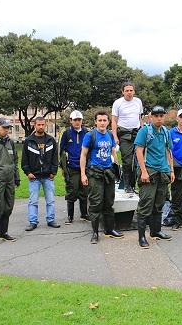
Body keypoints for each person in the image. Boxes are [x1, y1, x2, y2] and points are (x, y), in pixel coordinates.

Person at [80, 111, 123, 244]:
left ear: (108, 122)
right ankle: (94, 233)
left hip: (108, 172)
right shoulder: (90, 135)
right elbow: (83, 155)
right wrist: (83, 174)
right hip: (95, 173)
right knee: (95, 203)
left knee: (109, 202)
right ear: (95, 122)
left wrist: (117, 167)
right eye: (100, 120)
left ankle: (109, 229)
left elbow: (113, 152)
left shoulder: (110, 134)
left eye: (105, 120)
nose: (102, 123)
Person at [135, 105, 174, 249]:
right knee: (146, 204)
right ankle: (141, 237)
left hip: (163, 172)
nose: (159, 118)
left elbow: (169, 151)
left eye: (161, 116)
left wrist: (171, 170)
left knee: (159, 204)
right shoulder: (145, 131)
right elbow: (139, 151)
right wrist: (143, 171)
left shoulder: (165, 132)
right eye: (156, 116)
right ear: (151, 117)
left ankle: (156, 231)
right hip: (149, 171)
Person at [22, 117, 60, 231]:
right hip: (34, 177)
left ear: (45, 125)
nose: (41, 127)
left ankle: (51, 220)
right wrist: (28, 172)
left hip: (48, 176)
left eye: (43, 124)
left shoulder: (51, 140)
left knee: (51, 200)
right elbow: (24, 159)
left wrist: (54, 171)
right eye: (39, 125)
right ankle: (33, 222)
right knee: (33, 201)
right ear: (35, 125)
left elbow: (55, 157)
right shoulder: (29, 141)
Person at [112, 82, 143, 193]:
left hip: (137, 133)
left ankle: (134, 184)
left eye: (131, 90)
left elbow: (140, 118)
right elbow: (114, 121)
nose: (129, 92)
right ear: (123, 92)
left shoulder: (138, 101)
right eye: (127, 90)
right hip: (124, 134)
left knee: (138, 160)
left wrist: (143, 131)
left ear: (134, 91)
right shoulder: (118, 103)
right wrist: (115, 136)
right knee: (127, 160)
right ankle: (127, 185)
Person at [59, 110, 89, 224]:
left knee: (84, 192)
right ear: (71, 120)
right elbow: (61, 151)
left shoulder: (86, 132)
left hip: (85, 167)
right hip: (72, 167)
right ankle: (70, 216)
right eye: (75, 120)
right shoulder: (66, 133)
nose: (77, 122)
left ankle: (84, 214)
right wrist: (63, 167)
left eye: (79, 120)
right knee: (72, 191)